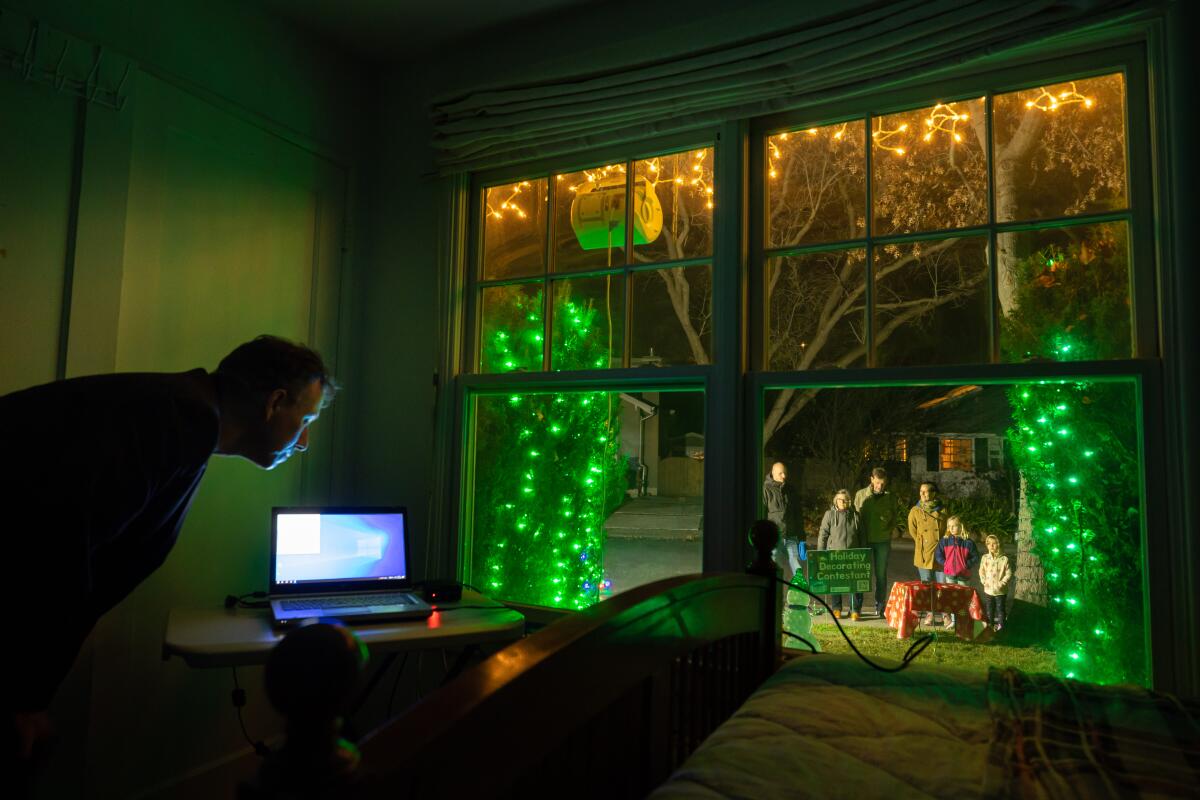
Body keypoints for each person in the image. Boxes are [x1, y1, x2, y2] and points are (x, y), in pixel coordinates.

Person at [2, 335, 336, 769]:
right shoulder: (177, 419)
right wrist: (27, 696)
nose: (305, 440)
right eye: (305, 418)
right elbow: (60, 554)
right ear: (274, 402)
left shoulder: (182, 415)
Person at [854, 467, 899, 617]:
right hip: (864, 541)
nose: (880, 486)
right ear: (872, 479)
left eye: (883, 483)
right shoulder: (860, 495)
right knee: (861, 574)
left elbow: (895, 517)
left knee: (881, 575)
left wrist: (889, 530)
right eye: (878, 482)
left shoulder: (891, 497)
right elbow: (854, 519)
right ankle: (857, 607)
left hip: (882, 541)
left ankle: (880, 606)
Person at [817, 489, 864, 620]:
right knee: (836, 583)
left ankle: (855, 610)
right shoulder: (829, 515)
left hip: (853, 555)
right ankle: (836, 609)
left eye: (846, 499)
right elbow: (823, 534)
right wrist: (820, 553)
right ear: (836, 501)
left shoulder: (856, 515)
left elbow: (862, 535)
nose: (843, 502)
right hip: (835, 554)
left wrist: (864, 553)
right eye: (841, 500)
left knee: (855, 583)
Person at [907, 481, 948, 627]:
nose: (923, 494)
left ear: (933, 493)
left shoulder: (942, 511)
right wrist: (922, 542)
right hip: (923, 553)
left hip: (940, 554)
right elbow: (913, 531)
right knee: (927, 586)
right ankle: (930, 613)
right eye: (921, 491)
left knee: (942, 586)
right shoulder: (915, 511)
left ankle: (945, 614)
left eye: (926, 491)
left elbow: (946, 531)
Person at [934, 515, 979, 630]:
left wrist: (965, 565)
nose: (952, 528)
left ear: (961, 526)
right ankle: (954, 620)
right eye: (950, 526)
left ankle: (965, 620)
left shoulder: (968, 542)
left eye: (955, 526)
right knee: (952, 598)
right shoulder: (944, 541)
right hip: (950, 575)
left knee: (963, 598)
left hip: (964, 576)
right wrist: (946, 564)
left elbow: (975, 557)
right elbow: (938, 554)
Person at [979, 534, 1012, 632]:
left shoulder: (1004, 559)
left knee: (1000, 609)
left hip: (1000, 591)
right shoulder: (985, 558)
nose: (991, 546)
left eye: (994, 544)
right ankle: (990, 626)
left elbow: (1009, 573)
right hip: (988, 589)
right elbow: (981, 571)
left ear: (999, 544)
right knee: (989, 609)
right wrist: (984, 581)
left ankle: (1001, 626)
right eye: (989, 544)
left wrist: (1002, 583)